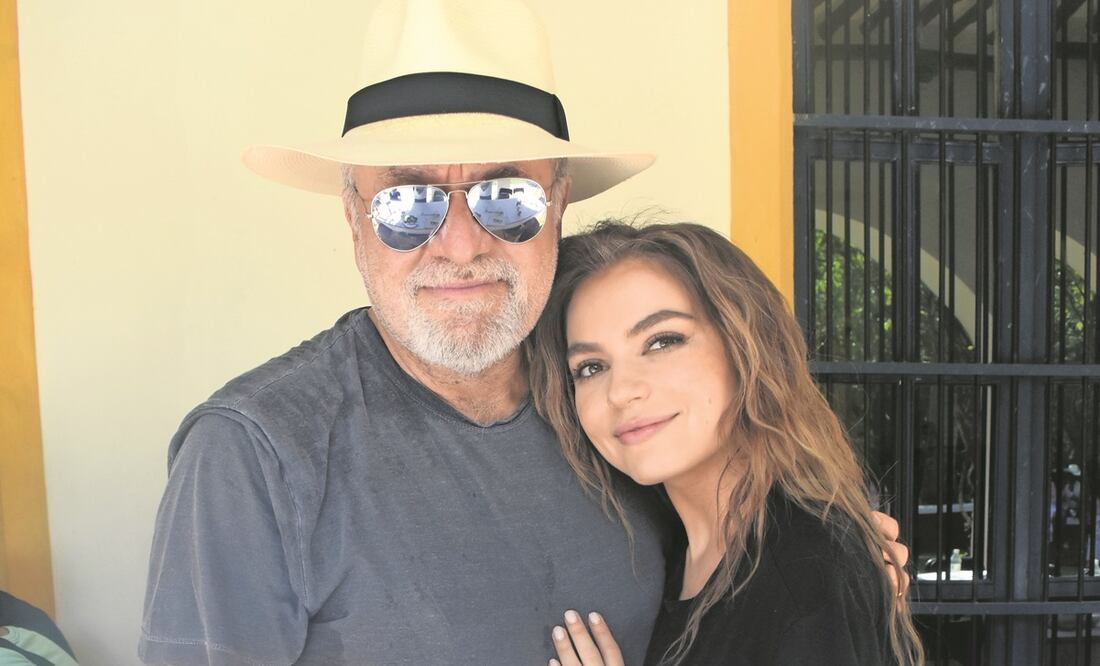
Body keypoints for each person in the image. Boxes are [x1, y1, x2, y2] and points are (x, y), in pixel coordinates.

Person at [140, 1, 910, 664]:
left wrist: (830, 557)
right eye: (408, 202)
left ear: (559, 203)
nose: (462, 243)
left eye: (505, 196)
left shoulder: (608, 420)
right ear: (353, 217)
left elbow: (739, 568)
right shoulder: (256, 454)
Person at [526, 221, 924, 665]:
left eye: (662, 342)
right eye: (591, 367)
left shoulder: (806, 570)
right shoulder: (665, 546)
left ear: (745, 347)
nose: (621, 391)